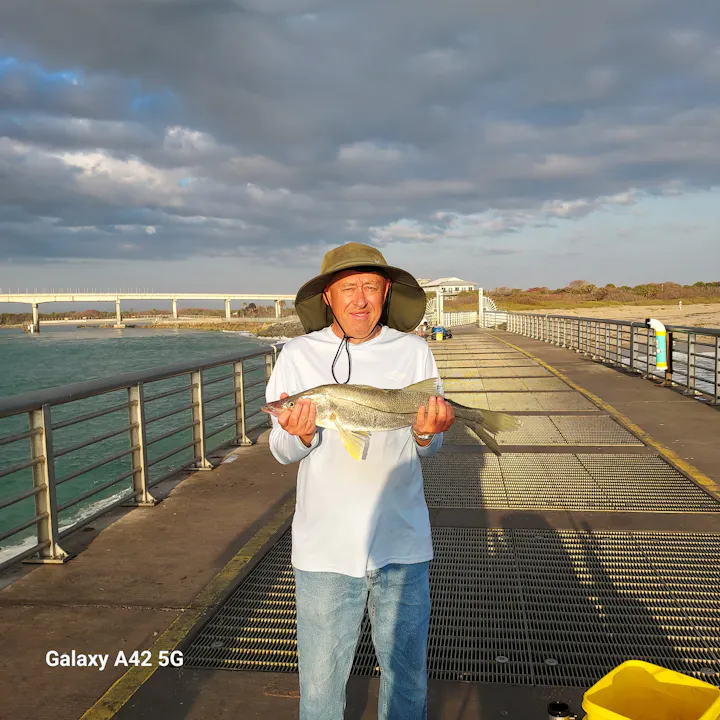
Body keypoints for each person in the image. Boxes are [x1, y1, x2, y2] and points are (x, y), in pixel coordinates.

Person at [265, 242, 455, 720]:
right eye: (348, 288)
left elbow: (428, 447)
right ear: (327, 296)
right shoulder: (297, 354)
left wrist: (428, 435)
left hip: (403, 543)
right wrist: (301, 434)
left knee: (407, 681)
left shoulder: (414, 351)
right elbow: (282, 450)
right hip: (324, 548)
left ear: (386, 291)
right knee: (321, 688)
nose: (360, 299)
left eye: (370, 286)